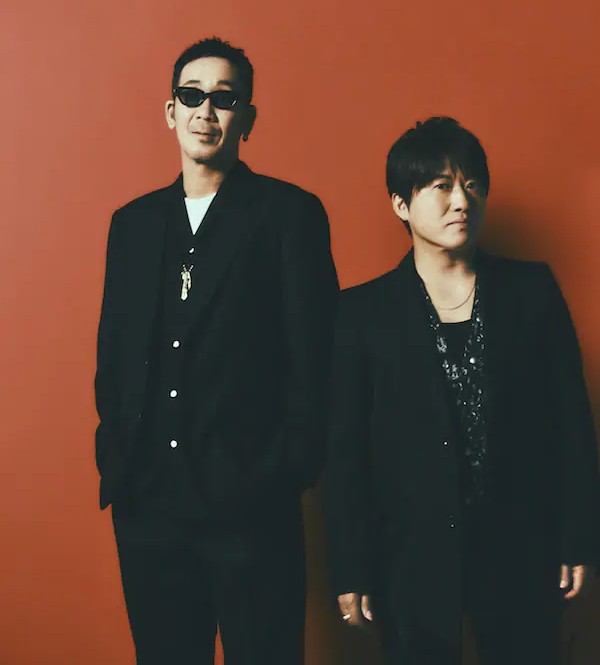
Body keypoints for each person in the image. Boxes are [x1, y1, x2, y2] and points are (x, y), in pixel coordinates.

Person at [94, 37, 338, 664]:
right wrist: (118, 456)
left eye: (224, 99)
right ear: (170, 111)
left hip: (252, 509)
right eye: (191, 95)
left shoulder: (290, 215)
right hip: (148, 508)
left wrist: (283, 472)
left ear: (246, 119)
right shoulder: (133, 224)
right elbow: (114, 356)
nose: (205, 110)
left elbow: (316, 360)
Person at [324, 116, 600, 664]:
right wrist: (351, 569)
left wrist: (578, 538)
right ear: (401, 204)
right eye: (441, 186)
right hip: (411, 560)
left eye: (473, 185)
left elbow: (572, 424)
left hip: (521, 549)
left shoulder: (532, 291)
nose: (461, 201)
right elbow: (346, 453)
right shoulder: (362, 313)